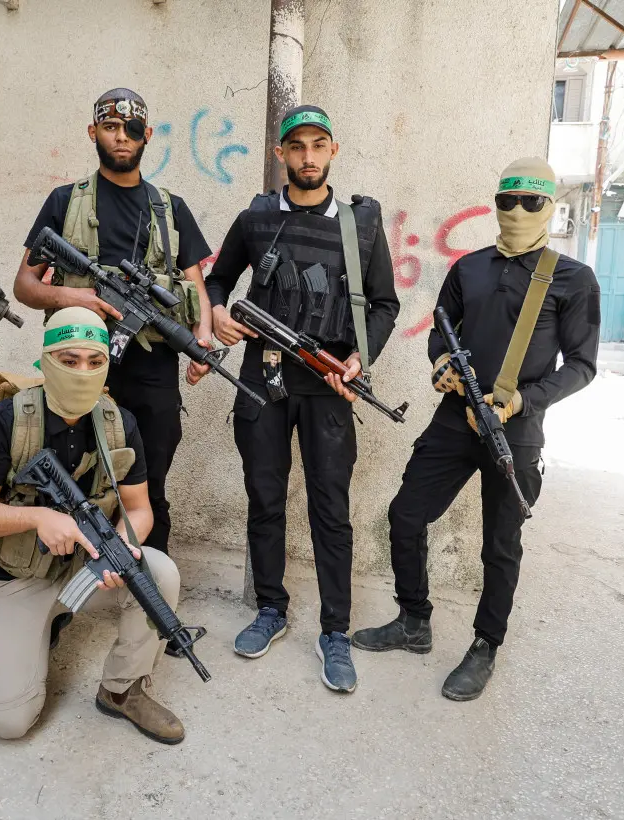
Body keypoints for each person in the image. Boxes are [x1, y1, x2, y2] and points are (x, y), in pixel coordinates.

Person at [352, 158, 600, 701]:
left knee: (500, 545)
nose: (516, 211)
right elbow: (441, 332)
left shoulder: (573, 278)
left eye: (530, 202)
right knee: (405, 515)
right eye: (507, 201)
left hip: (517, 429)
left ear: (550, 207)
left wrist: (522, 402)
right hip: (455, 418)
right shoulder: (470, 267)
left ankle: (485, 645)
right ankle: (413, 620)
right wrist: (441, 367)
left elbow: (582, 365)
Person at [203, 105, 400, 693]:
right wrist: (215, 313)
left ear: (333, 150)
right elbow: (218, 278)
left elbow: (385, 304)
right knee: (265, 498)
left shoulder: (361, 224)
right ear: (280, 154)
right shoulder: (258, 218)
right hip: (263, 378)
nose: (308, 157)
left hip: (329, 382)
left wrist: (362, 357)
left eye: (318, 145)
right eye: (297, 147)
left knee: (329, 510)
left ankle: (335, 630)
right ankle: (271, 609)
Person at [0, 307, 186, 744]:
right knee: (9, 724)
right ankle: (21, 632)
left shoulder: (120, 424)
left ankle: (123, 691)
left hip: (87, 571)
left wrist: (124, 545)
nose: (83, 371)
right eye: (70, 359)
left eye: (95, 361)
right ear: (46, 359)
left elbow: (139, 508)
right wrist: (38, 517)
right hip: (17, 579)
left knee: (159, 573)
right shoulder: (8, 420)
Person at [12, 88, 214, 556]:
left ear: (148, 135)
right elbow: (25, 285)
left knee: (150, 482)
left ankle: (147, 582)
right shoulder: (65, 202)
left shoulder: (171, 208)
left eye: (132, 129)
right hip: (76, 363)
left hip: (153, 369)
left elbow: (195, 289)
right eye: (110, 127)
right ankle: (60, 581)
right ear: (94, 132)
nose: (121, 137)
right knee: (67, 478)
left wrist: (202, 341)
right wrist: (74, 295)